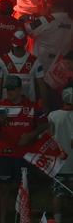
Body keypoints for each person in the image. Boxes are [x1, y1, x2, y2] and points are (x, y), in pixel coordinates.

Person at [0, 75, 48, 223]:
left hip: (23, 155)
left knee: (24, 188)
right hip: (4, 153)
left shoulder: (32, 106)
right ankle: (2, 219)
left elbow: (45, 124)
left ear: (20, 89)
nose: (10, 92)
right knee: (3, 189)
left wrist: (31, 135)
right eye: (8, 89)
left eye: (13, 89)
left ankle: (23, 219)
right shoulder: (0, 106)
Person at [0, 30, 47, 106]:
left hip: (28, 106)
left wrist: (44, 105)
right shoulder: (2, 60)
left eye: (20, 46)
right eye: (17, 46)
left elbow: (41, 85)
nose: (19, 48)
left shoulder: (35, 61)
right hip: (7, 106)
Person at [48, 86, 73, 223]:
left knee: (58, 193)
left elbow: (49, 137)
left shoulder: (53, 115)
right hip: (72, 162)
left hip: (58, 164)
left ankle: (57, 221)